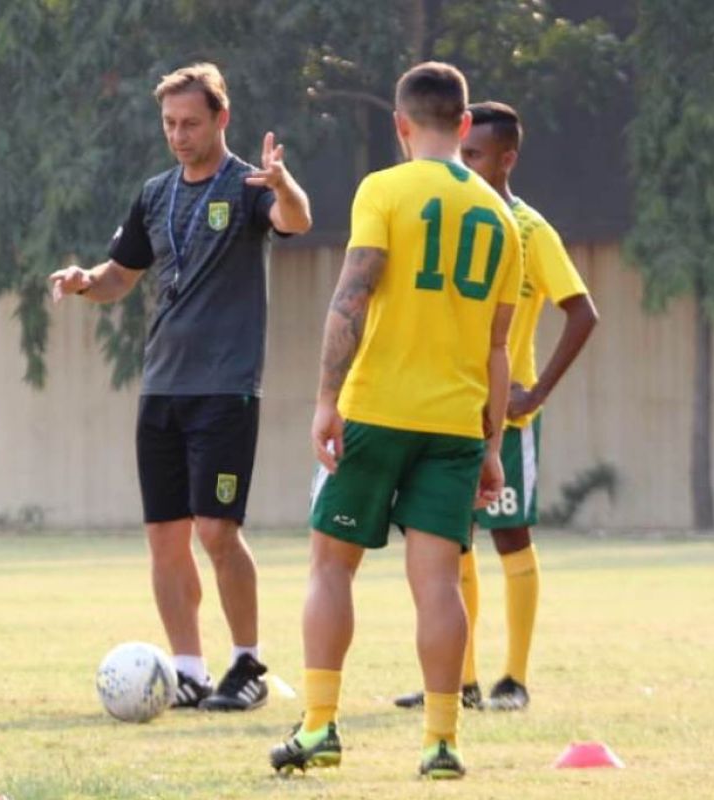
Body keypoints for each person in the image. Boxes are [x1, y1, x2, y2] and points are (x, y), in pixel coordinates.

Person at [269, 63, 522, 780]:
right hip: (456, 426)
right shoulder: (503, 217)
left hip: (377, 410)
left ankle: (319, 727)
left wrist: (326, 399)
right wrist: (494, 443)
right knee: (438, 585)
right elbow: (499, 348)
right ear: (466, 125)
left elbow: (352, 297)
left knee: (330, 566)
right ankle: (442, 742)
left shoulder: (383, 189)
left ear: (402, 126)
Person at [48, 63, 311, 712]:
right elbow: (121, 276)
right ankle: (189, 670)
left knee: (217, 530)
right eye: (169, 123)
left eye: (191, 122)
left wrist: (285, 184)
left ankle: (246, 664)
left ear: (222, 118)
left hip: (225, 387)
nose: (178, 134)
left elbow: (296, 222)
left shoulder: (251, 186)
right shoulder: (155, 193)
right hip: (161, 386)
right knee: (165, 536)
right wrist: (86, 280)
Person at [393, 101, 599, 712]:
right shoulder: (457, 221)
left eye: (477, 155)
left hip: (506, 420)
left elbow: (583, 312)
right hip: (450, 410)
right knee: (452, 542)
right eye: (463, 152)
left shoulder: (531, 230)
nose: (466, 163)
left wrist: (534, 393)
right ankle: (462, 681)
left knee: (510, 536)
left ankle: (514, 678)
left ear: (507, 159)